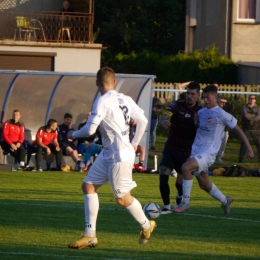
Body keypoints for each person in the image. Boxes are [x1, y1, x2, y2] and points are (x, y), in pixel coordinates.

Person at [67, 67, 156, 249]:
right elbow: (144, 121)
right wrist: (135, 142)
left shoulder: (102, 101)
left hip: (119, 155)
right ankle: (89, 235)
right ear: (114, 82)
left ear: (97, 84)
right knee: (89, 186)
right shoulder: (125, 98)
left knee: (122, 199)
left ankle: (147, 225)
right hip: (110, 152)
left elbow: (91, 130)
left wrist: (74, 133)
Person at [174, 85, 254, 214]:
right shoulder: (200, 113)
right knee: (204, 184)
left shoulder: (222, 114)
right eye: (204, 97)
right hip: (196, 151)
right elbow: (197, 130)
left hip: (208, 153)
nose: (205, 100)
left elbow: (239, 130)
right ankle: (225, 200)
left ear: (216, 97)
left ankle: (185, 202)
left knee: (186, 167)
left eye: (208, 97)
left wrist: (249, 149)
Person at [158, 82, 202, 214]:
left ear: (198, 95)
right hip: (171, 148)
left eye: (192, 94)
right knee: (163, 176)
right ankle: (166, 207)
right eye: (188, 93)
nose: (189, 96)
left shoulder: (200, 112)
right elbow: (166, 114)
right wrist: (162, 120)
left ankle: (180, 196)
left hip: (186, 152)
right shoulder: (177, 105)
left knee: (179, 184)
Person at [239, 94, 260, 162]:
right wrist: (254, 116)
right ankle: (241, 159)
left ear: (255, 100)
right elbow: (245, 115)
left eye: (253, 98)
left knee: (259, 144)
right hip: (247, 129)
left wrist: (251, 116)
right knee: (244, 144)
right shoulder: (244, 107)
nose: (252, 100)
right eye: (250, 98)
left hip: (256, 129)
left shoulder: (258, 108)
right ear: (248, 99)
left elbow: (258, 117)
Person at [215, 95, 234, 163]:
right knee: (214, 145)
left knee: (223, 145)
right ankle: (213, 157)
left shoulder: (227, 109)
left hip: (225, 130)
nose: (221, 103)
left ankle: (219, 157)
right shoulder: (215, 109)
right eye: (220, 101)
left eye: (222, 102)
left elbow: (232, 106)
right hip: (216, 131)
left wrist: (225, 101)